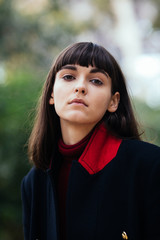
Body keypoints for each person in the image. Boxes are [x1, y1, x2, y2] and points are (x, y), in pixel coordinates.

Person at [21, 42, 160, 240]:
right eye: (68, 77)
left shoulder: (150, 166)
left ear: (114, 101)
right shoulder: (33, 181)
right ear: (51, 93)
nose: (80, 87)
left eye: (96, 81)